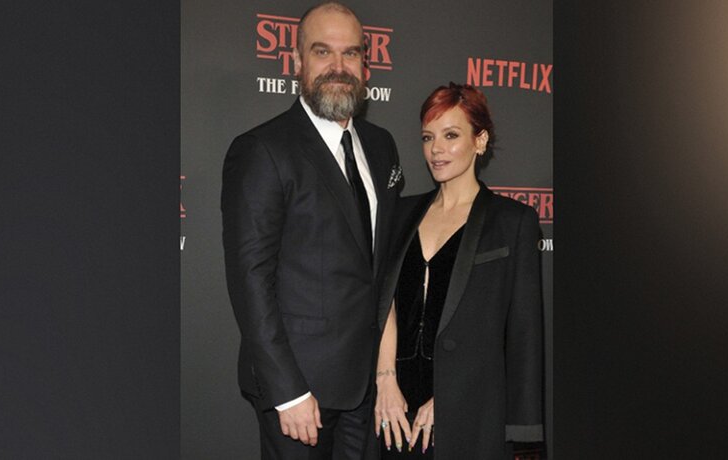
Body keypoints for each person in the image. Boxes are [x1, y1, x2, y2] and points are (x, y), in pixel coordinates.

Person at [221, 2, 402, 459]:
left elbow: (379, 269)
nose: (338, 67)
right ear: (297, 62)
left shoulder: (381, 146)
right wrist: (287, 391)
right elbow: (250, 279)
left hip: (364, 388)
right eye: (323, 52)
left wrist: (385, 374)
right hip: (301, 391)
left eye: (351, 53)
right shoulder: (263, 149)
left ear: (365, 65)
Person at [373, 83, 544, 459]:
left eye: (451, 135)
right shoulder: (400, 214)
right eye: (428, 137)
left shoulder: (512, 222)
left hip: (470, 407)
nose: (436, 149)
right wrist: (384, 381)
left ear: (479, 141)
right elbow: (385, 302)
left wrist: (451, 400)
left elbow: (522, 334)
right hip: (395, 407)